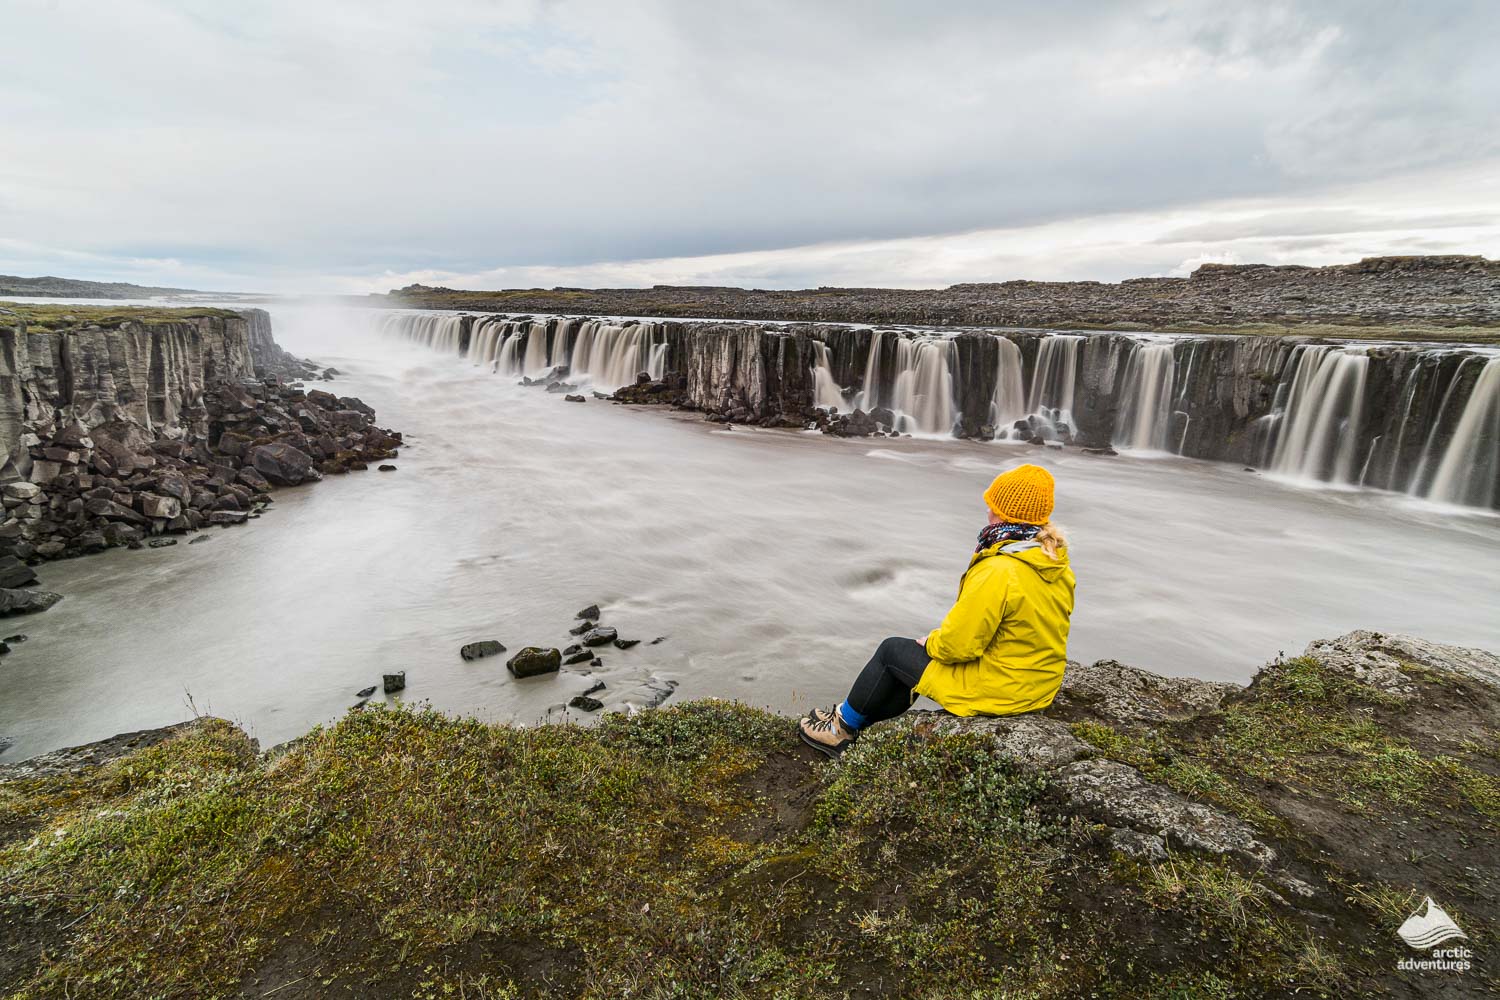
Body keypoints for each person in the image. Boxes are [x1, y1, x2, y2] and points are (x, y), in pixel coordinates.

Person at [799, 463, 1076, 758]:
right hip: (1038, 685)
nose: (987, 512)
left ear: (1006, 515)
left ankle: (839, 730)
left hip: (1003, 690)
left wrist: (931, 642)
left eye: (992, 506)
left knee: (892, 652)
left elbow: (960, 645)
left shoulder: (1000, 569)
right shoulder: (1053, 561)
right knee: (913, 660)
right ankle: (861, 725)